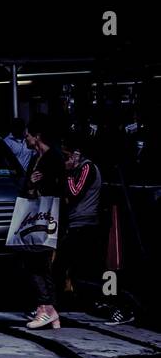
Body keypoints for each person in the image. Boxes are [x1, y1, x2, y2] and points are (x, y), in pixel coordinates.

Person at [58, 134, 131, 324]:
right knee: (81, 267)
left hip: (86, 224)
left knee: (83, 266)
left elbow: (75, 192)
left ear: (76, 154)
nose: (65, 160)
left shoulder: (87, 168)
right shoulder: (78, 169)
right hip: (77, 223)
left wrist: (66, 173)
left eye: (67, 156)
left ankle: (118, 307)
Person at [19, 114, 66, 330]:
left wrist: (38, 185)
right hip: (36, 216)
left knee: (39, 262)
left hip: (49, 218)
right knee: (37, 262)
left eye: (27, 135)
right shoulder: (34, 158)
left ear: (37, 136)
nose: (25, 139)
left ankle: (46, 307)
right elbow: (26, 187)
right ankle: (46, 308)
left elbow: (59, 189)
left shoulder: (53, 158)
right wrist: (31, 184)